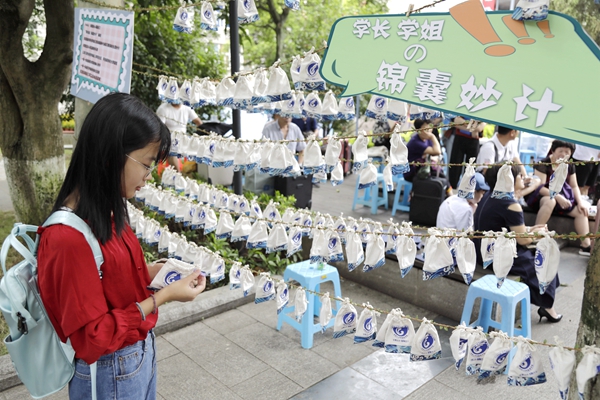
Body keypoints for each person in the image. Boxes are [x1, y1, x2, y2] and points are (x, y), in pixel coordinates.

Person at [37, 93, 206, 398]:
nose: (148, 177)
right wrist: (164, 296)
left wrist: (153, 272)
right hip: (109, 369)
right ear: (111, 155)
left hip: (137, 352)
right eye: (146, 164)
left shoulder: (109, 207)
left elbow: (109, 277)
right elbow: (93, 338)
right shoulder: (66, 238)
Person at [474, 164, 562, 323]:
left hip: (482, 251)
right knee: (544, 259)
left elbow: (507, 228)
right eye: (519, 175)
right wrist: (538, 234)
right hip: (497, 257)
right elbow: (524, 240)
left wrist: (530, 229)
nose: (523, 177)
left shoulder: (490, 195)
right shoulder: (510, 203)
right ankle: (547, 306)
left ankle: (547, 304)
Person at [524, 140, 591, 255]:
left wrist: (580, 202)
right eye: (561, 151)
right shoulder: (543, 164)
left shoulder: (570, 165)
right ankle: (536, 236)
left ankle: (586, 245)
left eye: (567, 152)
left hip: (562, 198)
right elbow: (539, 187)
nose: (563, 154)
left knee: (581, 211)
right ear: (553, 150)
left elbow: (574, 186)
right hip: (542, 197)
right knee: (551, 201)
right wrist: (557, 196)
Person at [156, 100, 202, 172]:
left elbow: (199, 122)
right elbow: (160, 127)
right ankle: (178, 174)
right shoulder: (163, 108)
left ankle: (185, 173)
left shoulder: (187, 108)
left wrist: (202, 136)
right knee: (173, 151)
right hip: (169, 139)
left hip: (183, 138)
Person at [447, 116, 485, 189]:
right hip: (460, 137)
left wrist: (463, 125)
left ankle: (467, 189)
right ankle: (452, 187)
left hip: (474, 140)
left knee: (471, 167)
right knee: (455, 166)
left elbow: (480, 127)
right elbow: (456, 122)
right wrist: (473, 129)